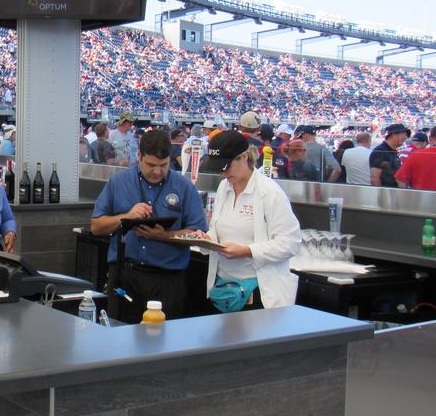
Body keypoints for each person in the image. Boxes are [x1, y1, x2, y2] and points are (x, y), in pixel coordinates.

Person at [90, 129, 207, 323]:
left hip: (168, 280)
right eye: (151, 165)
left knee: (165, 345)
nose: (157, 171)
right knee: (121, 340)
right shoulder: (118, 182)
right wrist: (126, 217)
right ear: (139, 156)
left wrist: (163, 236)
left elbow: (199, 234)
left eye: (163, 165)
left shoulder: (184, 187)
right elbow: (96, 226)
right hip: (125, 277)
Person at [202, 130, 302, 309]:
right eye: (219, 169)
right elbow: (220, 230)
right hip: (225, 289)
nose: (223, 173)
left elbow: (290, 243)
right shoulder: (224, 187)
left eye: (226, 166)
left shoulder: (269, 192)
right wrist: (206, 240)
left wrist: (247, 251)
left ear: (244, 157)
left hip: (258, 293)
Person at [370, 123, 409, 188]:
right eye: (403, 134)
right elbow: (374, 177)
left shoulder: (390, 151)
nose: (405, 137)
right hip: (386, 194)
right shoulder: (381, 151)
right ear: (394, 134)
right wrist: (381, 195)